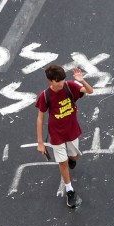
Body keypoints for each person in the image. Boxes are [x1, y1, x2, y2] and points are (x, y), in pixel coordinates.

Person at [35, 64, 94, 208]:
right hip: (56, 134)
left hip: (71, 130)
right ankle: (70, 190)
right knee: (62, 162)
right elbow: (40, 118)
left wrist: (82, 80)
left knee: (73, 157)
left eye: (62, 80)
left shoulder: (70, 86)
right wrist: (40, 142)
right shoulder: (45, 96)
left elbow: (90, 91)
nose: (61, 83)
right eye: (57, 81)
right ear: (50, 81)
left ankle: (71, 159)